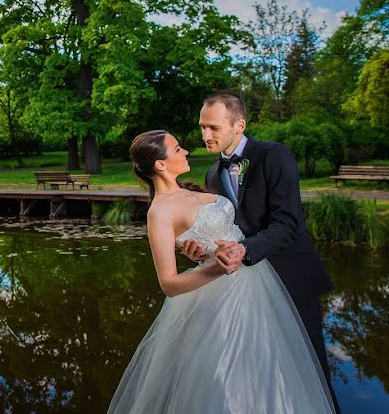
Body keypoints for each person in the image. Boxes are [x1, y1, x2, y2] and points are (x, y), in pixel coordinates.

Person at [108, 130, 335, 413]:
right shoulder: (159, 212)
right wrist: (216, 267)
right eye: (178, 149)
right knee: (228, 376)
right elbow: (168, 283)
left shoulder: (195, 189)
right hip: (220, 298)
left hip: (259, 282)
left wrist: (205, 252)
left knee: (272, 368)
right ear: (160, 164)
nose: (186, 151)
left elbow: (220, 231)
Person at [190, 91, 339, 411]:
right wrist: (201, 250)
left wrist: (244, 249)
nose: (205, 135)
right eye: (202, 127)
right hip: (245, 289)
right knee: (254, 372)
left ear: (239, 125)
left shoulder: (275, 156)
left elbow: (288, 224)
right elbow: (224, 228)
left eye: (213, 127)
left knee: (310, 370)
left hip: (292, 279)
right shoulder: (212, 174)